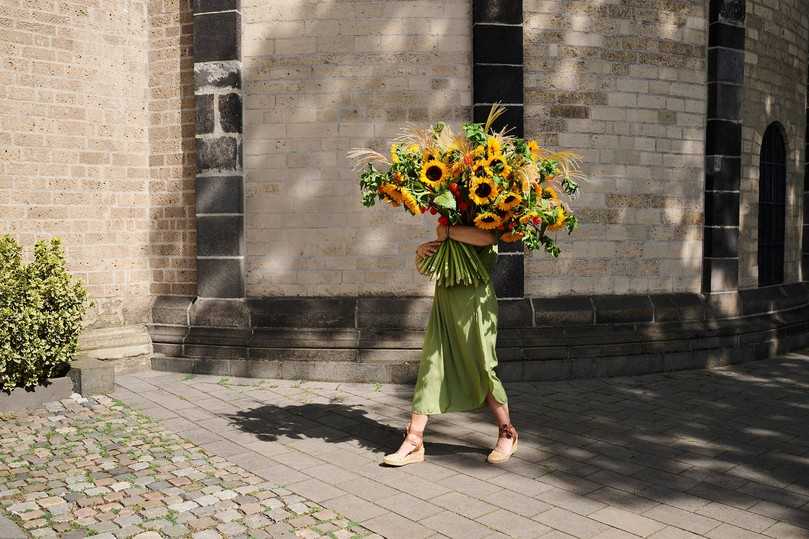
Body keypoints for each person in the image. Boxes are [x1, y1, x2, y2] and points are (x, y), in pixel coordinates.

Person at [382, 222, 518, 466]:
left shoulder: (489, 215)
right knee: (431, 367)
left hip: (475, 305)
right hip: (445, 300)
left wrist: (447, 231)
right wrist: (422, 251)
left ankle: (507, 432)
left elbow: (487, 238)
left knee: (482, 367)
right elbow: (438, 254)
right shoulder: (450, 218)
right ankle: (414, 440)